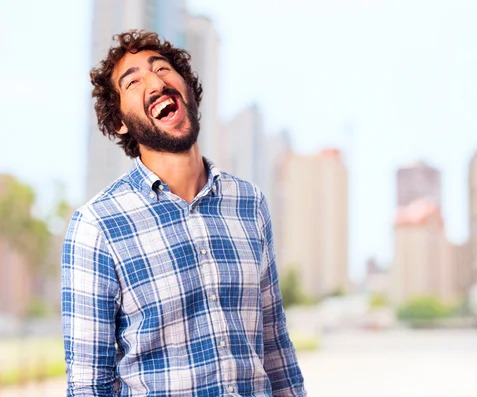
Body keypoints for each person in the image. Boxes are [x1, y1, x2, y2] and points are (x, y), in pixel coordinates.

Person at [61, 30, 306, 397]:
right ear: (119, 122)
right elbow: (88, 384)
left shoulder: (249, 203)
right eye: (134, 82)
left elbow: (274, 346)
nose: (156, 82)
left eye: (162, 69)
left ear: (187, 88)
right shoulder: (97, 227)